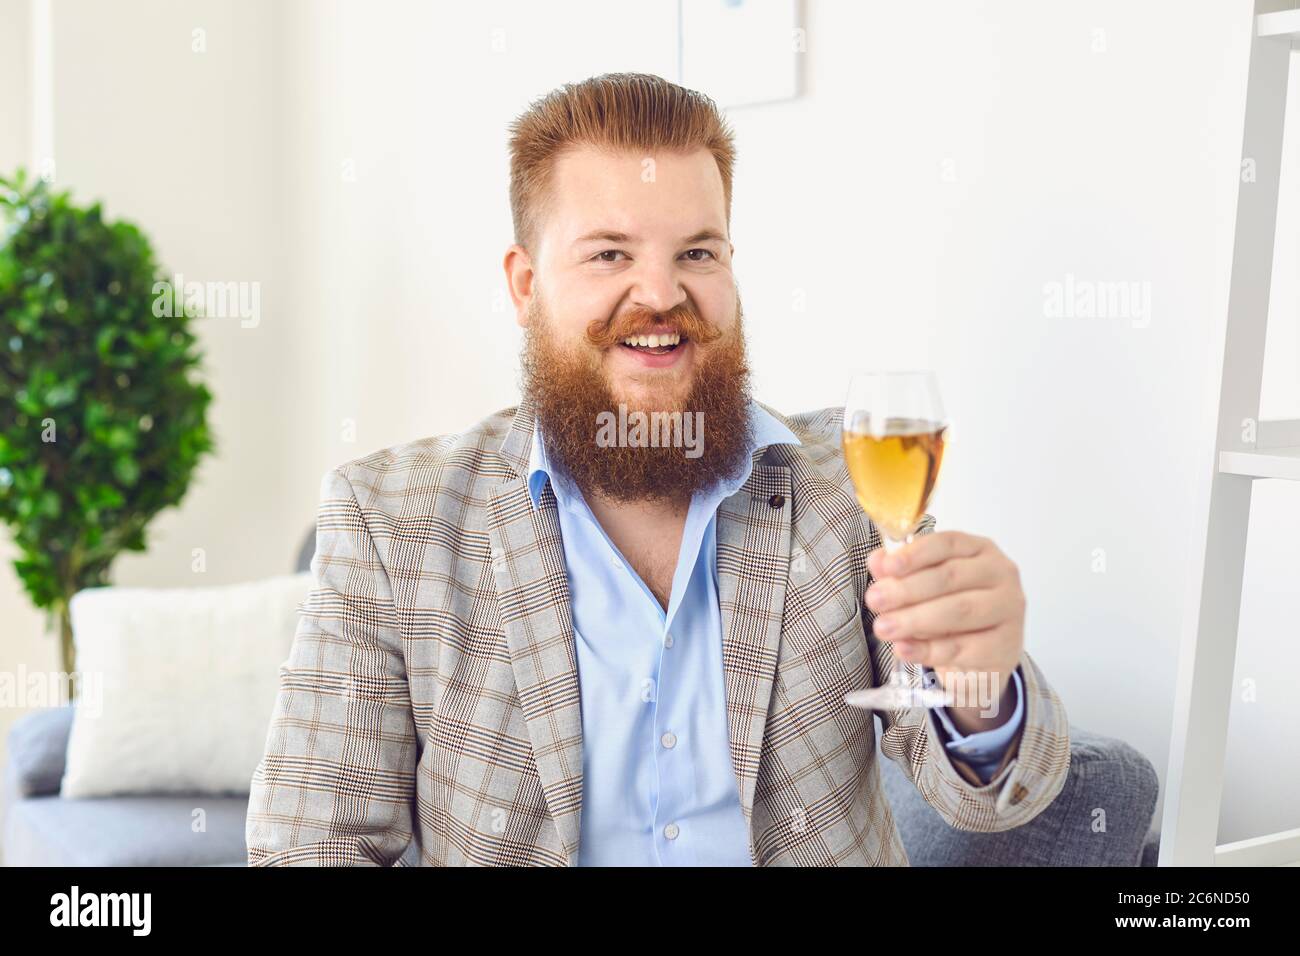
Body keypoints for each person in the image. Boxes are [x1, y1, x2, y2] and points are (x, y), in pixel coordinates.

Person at [246, 72, 1069, 867]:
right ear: (526, 285)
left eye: (698, 253)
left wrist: (980, 688)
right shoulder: (392, 519)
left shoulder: (845, 487)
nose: (661, 295)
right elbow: (309, 843)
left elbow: (991, 796)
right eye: (609, 255)